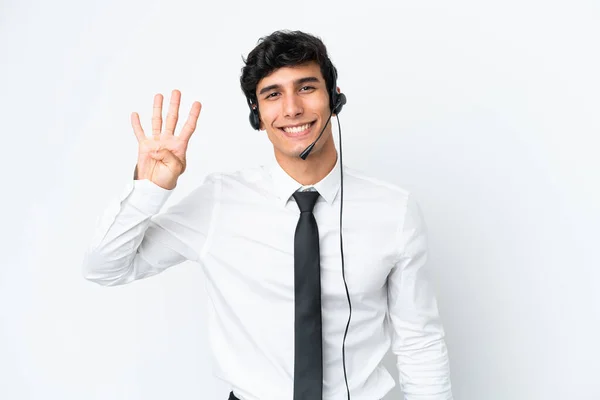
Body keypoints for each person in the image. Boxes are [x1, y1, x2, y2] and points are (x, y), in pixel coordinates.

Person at [82, 30, 453, 400]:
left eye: (306, 87)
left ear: (335, 99)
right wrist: (151, 189)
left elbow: (420, 342)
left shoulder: (394, 210)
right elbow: (105, 268)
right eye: (272, 94)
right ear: (256, 117)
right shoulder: (218, 202)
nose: (291, 108)